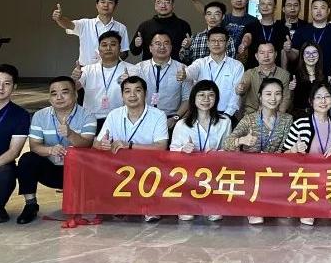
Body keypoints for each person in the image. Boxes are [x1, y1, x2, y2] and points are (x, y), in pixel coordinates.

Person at [15, 76, 96, 224]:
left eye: (64, 92)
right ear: (49, 97)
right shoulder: (40, 116)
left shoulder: (88, 115)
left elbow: (87, 144)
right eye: (54, 93)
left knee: (92, 161)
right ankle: (30, 205)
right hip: (51, 169)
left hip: (78, 172)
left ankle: (84, 200)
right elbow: (34, 146)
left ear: (75, 94)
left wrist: (70, 134)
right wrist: (50, 150)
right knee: (27, 159)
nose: (59, 97)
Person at [94, 76, 169, 221]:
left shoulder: (158, 115)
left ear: (145, 93)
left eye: (137, 90)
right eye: (127, 91)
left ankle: (150, 205)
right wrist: (103, 144)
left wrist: (130, 146)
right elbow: (96, 143)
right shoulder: (114, 114)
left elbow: (161, 147)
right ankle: (120, 203)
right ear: (122, 95)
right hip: (120, 166)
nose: (132, 95)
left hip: (148, 167)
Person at [222, 77, 294, 224]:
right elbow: (226, 143)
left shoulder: (287, 119)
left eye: (277, 94)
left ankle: (273, 201)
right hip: (252, 174)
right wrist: (241, 140)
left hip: (276, 172)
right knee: (257, 218)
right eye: (268, 94)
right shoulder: (249, 119)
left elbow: (285, 148)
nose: (273, 98)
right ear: (260, 96)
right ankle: (255, 205)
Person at [169, 80, 232, 222]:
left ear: (216, 99)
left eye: (211, 95)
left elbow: (228, 149)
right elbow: (172, 153)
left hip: (214, 172)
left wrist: (218, 153)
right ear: (193, 98)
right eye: (201, 95)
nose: (206, 99)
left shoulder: (225, 122)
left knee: (216, 216)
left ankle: (212, 202)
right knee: (187, 217)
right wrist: (183, 149)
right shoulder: (182, 124)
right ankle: (187, 203)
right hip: (189, 173)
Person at [283, 82, 331, 225]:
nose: (323, 101)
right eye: (318, 97)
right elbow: (284, 155)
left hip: (327, 177)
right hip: (305, 177)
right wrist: (294, 149)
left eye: (327, 97)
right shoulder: (300, 124)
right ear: (311, 101)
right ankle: (306, 206)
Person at [74, 31, 137, 130]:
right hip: (91, 119)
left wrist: (130, 83)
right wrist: (74, 79)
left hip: (120, 119)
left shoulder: (132, 70)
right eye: (104, 45)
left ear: (120, 48)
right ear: (99, 50)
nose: (108, 48)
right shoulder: (87, 69)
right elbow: (73, 88)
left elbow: (139, 95)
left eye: (113, 44)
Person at [51, 0, 130, 64]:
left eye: (110, 2)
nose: (106, 5)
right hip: (85, 69)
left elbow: (124, 52)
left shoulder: (121, 28)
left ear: (115, 6)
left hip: (110, 70)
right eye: (102, 2)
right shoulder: (85, 23)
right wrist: (60, 18)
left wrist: (111, 61)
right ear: (97, 5)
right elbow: (69, 25)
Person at [134, 32, 192, 128]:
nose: (162, 47)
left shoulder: (182, 69)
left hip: (171, 120)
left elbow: (187, 98)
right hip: (144, 119)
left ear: (171, 47)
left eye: (166, 43)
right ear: (150, 48)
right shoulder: (139, 68)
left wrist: (175, 118)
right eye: (158, 43)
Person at [186, 27, 243, 120]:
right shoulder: (200, 63)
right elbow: (190, 72)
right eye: (213, 41)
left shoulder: (236, 66)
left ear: (227, 43)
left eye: (220, 40)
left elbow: (236, 94)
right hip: (201, 113)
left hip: (225, 114)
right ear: (208, 43)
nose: (216, 44)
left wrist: (227, 115)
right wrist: (184, 75)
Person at [129, 0, 193, 61]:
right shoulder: (145, 26)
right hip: (150, 67)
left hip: (176, 66)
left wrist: (187, 47)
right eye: (159, 2)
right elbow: (134, 52)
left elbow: (190, 56)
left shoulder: (183, 25)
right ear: (155, 5)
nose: (163, 5)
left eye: (167, 2)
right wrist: (137, 45)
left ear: (173, 5)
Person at [289, 0, 331, 75]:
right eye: (315, 8)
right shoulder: (301, 31)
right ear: (311, 11)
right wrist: (288, 50)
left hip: (328, 77)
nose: (318, 11)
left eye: (322, 8)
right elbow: (293, 57)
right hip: (304, 77)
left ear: (328, 11)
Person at [237, 42, 294, 117]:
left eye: (270, 52)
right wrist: (241, 88)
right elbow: (243, 87)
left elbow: (286, 99)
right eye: (262, 53)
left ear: (275, 54)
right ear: (256, 56)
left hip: (275, 115)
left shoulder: (284, 75)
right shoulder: (249, 73)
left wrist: (278, 118)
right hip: (251, 115)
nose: (266, 56)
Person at [238, 0, 288, 68]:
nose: (265, 7)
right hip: (254, 70)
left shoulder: (282, 28)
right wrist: (244, 44)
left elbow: (284, 53)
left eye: (269, 4)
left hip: (275, 71)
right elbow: (247, 37)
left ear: (275, 7)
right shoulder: (250, 26)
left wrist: (284, 72)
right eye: (262, 4)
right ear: (258, 6)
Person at [190, 0, 256, 37]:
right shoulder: (223, 18)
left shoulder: (253, 21)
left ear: (247, 1)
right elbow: (208, 12)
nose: (239, 0)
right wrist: (195, 0)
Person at [290, 43, 326, 116]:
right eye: (307, 53)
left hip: (320, 114)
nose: (311, 56)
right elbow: (289, 99)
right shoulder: (294, 74)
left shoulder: (325, 74)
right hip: (299, 115)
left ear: (319, 55)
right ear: (302, 56)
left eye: (314, 53)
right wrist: (291, 89)